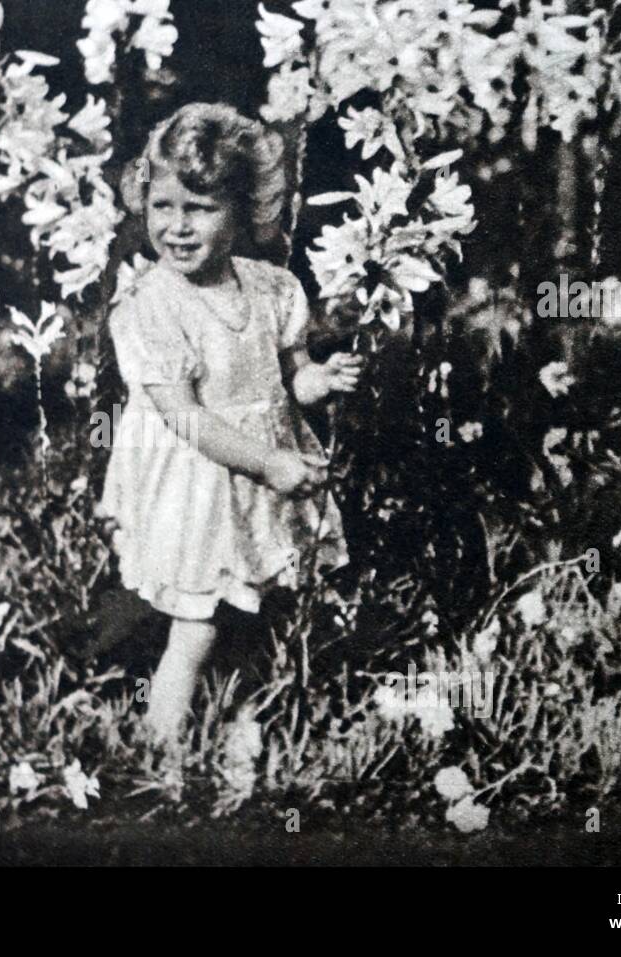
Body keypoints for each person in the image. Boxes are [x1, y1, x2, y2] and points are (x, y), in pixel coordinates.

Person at [98, 102, 359, 744]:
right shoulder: (151, 304)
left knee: (258, 604)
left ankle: (248, 716)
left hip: (259, 472)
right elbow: (184, 417)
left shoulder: (271, 288)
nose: (177, 227)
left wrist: (317, 383)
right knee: (199, 621)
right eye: (164, 206)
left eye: (201, 208)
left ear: (244, 213)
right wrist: (270, 463)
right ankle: (161, 745)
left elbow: (288, 374)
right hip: (197, 480)